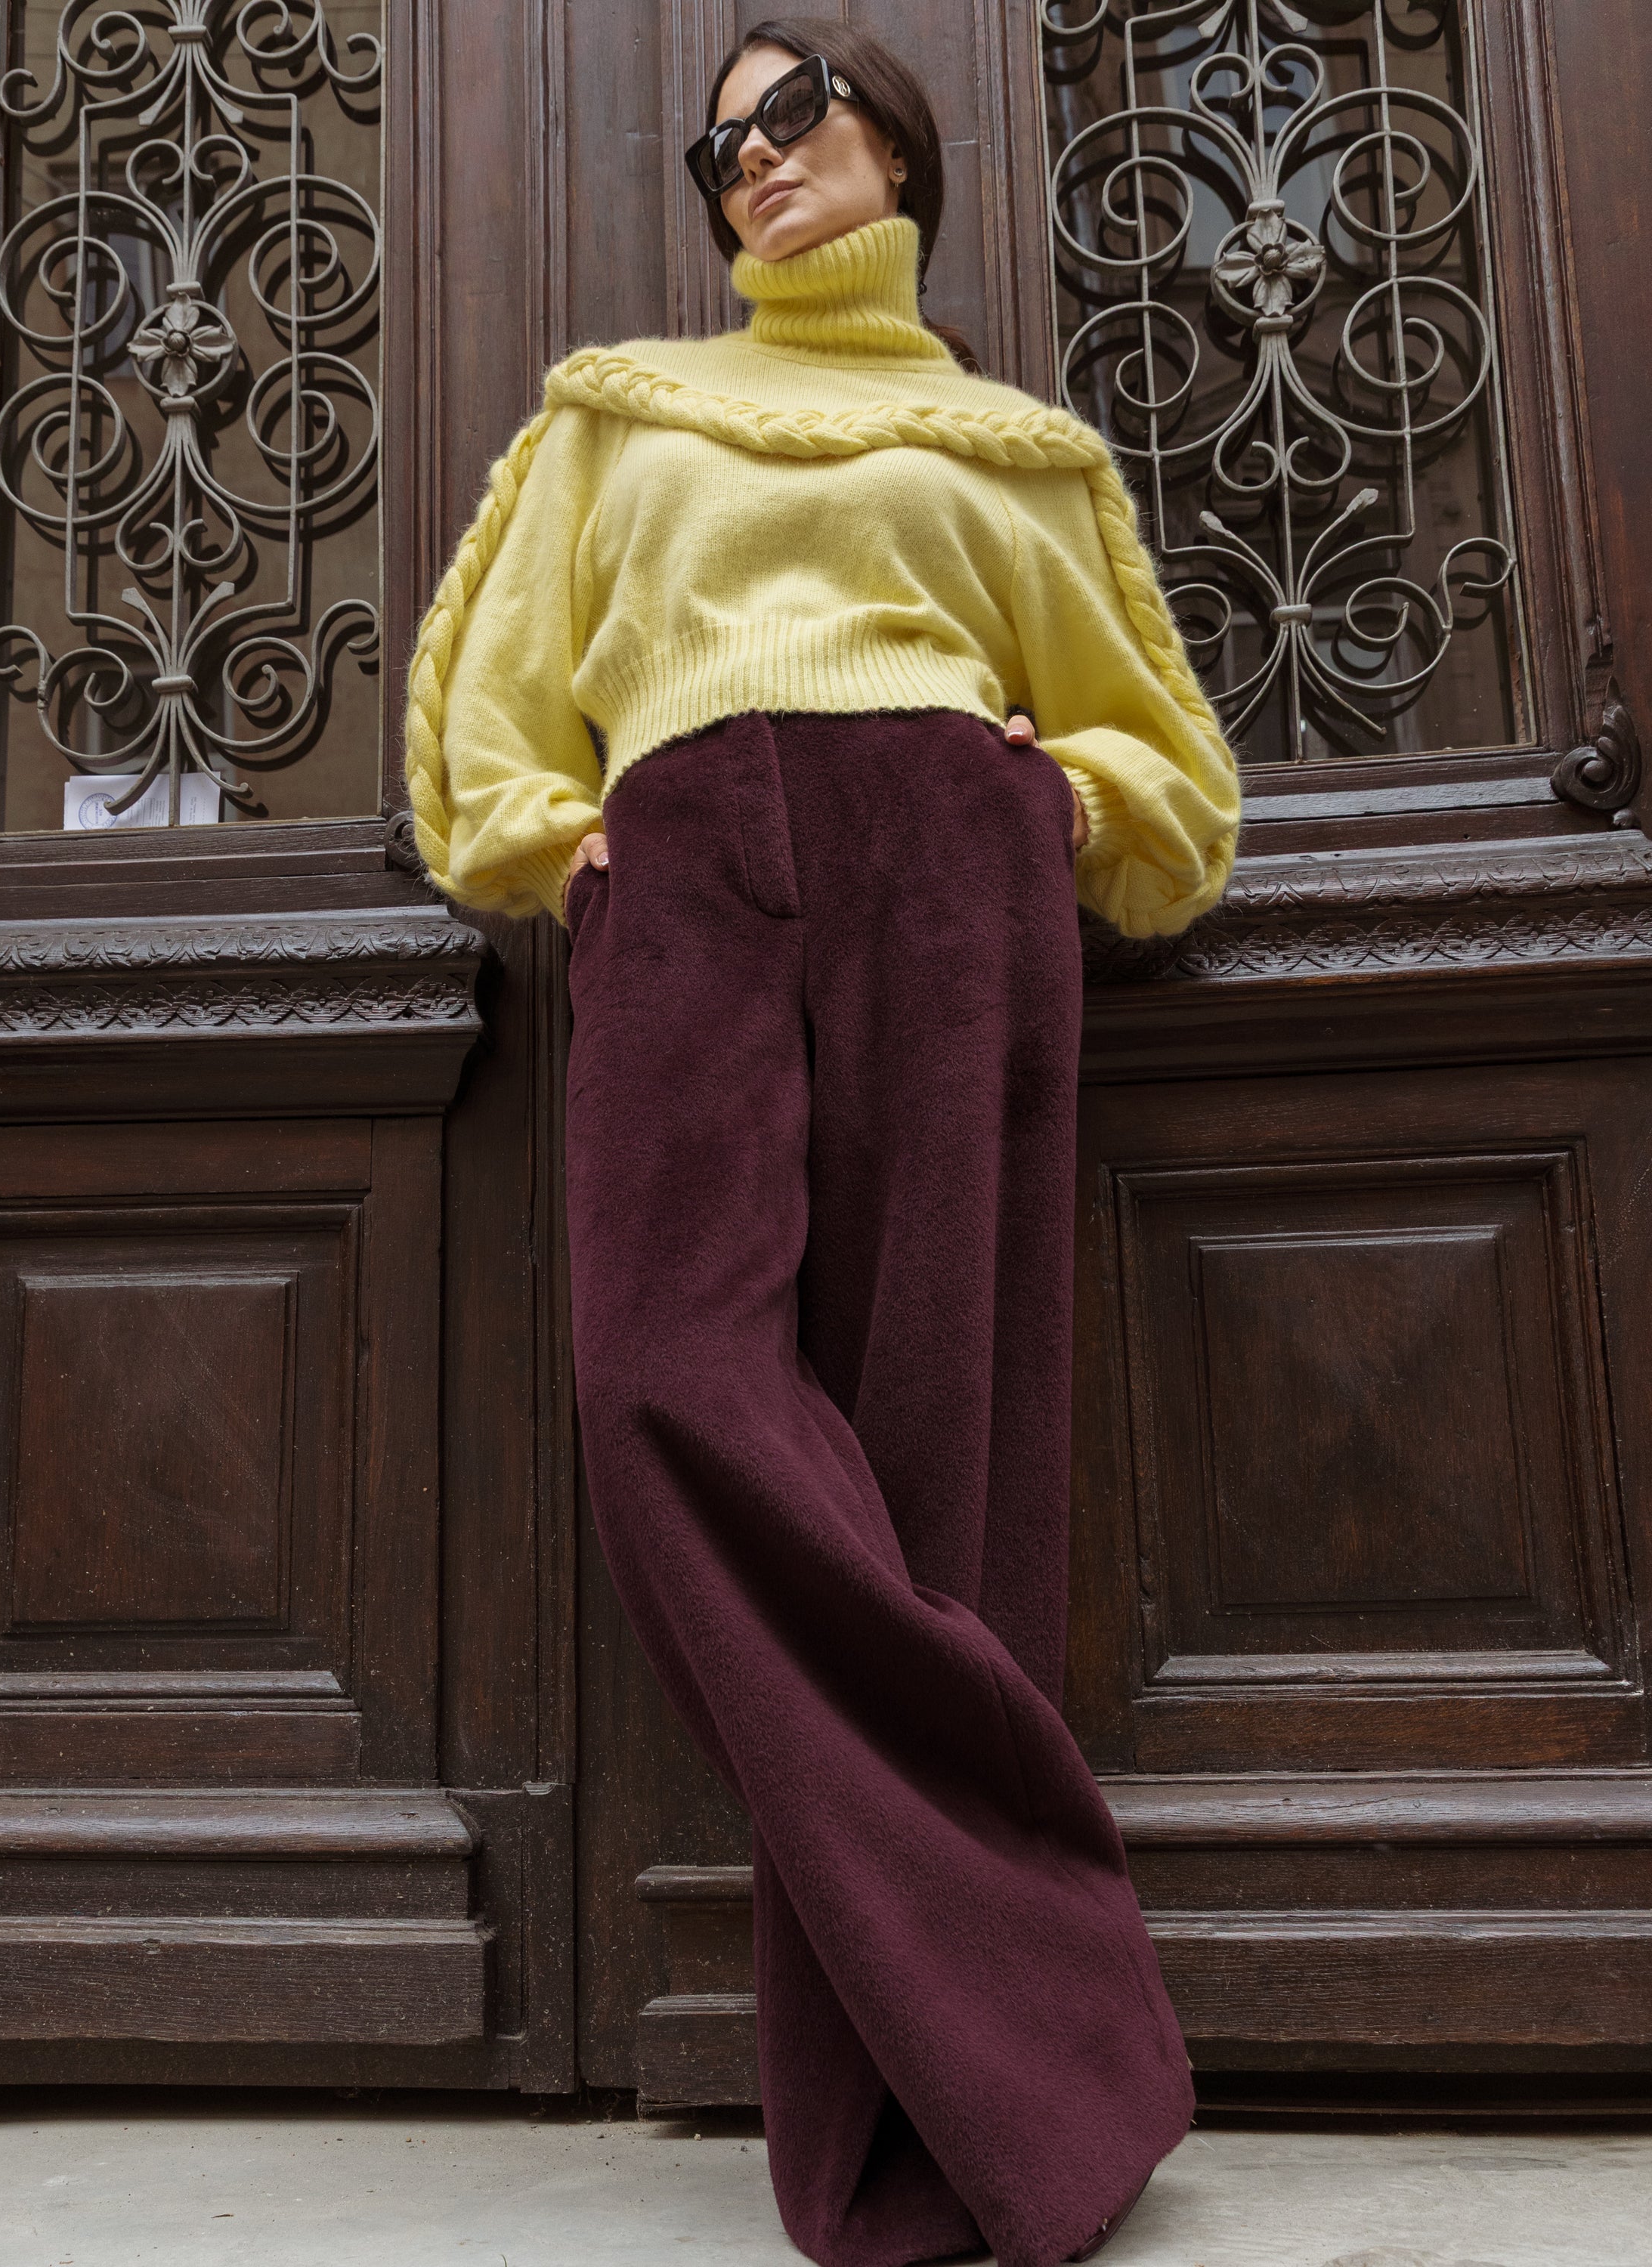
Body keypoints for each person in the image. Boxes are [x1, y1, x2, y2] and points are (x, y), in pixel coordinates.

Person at [405, 19, 1238, 2263]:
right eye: (721, 145)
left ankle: (939, 2142)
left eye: (791, 114)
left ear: (897, 144)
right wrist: (566, 845)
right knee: (659, 1381)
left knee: (943, 1455)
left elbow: (1171, 775)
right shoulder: (619, 412)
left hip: (953, 879)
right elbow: (486, 715)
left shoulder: (1015, 454)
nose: (754, 160)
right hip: (682, 877)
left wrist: (1059, 801)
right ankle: (1056, 1997)